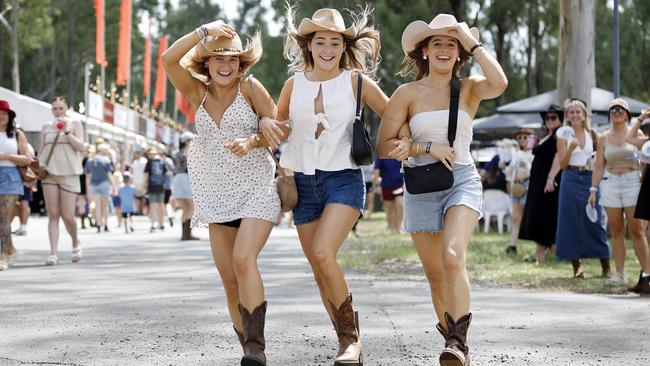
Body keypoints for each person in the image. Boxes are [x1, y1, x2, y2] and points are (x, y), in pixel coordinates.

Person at [376, 14, 507, 366]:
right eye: (437, 43)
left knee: (452, 256)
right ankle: (453, 341)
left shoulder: (469, 89)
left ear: (459, 53)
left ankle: (457, 344)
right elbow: (383, 144)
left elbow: (500, 82)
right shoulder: (407, 93)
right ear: (424, 52)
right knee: (435, 277)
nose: (445, 49)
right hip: (420, 186)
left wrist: (473, 42)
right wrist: (421, 148)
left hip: (461, 178)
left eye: (451, 44)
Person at [259, 7, 387, 365]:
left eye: (335, 42)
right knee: (319, 271)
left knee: (322, 254)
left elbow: (394, 113)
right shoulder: (293, 84)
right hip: (302, 183)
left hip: (343, 180)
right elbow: (279, 126)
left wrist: (413, 145)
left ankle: (351, 340)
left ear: (344, 46)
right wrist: (269, 126)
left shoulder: (356, 81)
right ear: (309, 45)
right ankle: (344, 340)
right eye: (320, 41)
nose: (328, 49)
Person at [163, 19, 280, 366]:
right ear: (206, 64)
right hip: (216, 192)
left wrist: (254, 140)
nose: (225, 65)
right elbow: (170, 60)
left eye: (232, 59)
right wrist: (203, 31)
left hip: (257, 185)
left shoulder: (251, 88)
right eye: (217, 59)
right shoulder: (197, 92)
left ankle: (257, 345)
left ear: (241, 63)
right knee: (230, 281)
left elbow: (279, 129)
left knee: (244, 260)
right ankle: (248, 348)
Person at [588, 99, 649, 286]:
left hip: (632, 182)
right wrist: (593, 189)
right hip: (610, 183)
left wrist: (644, 180)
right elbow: (599, 165)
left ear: (627, 114)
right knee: (616, 230)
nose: (616, 112)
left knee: (636, 231)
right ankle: (619, 273)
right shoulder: (603, 137)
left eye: (621, 109)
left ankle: (647, 273)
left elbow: (645, 159)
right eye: (613, 109)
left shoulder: (636, 132)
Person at [556, 98, 611, 278]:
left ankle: (605, 265)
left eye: (578, 112)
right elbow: (562, 165)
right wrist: (571, 149)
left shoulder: (594, 135)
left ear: (584, 114)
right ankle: (576, 267)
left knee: (595, 219)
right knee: (569, 221)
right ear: (567, 116)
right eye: (571, 112)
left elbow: (600, 161)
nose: (575, 115)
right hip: (570, 177)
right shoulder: (563, 135)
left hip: (589, 177)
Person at [38, 96, 85, 266]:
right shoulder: (46, 127)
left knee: (68, 215)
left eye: (60, 108)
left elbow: (80, 147)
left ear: (67, 108)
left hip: (69, 173)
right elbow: (42, 149)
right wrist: (37, 168)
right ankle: (53, 252)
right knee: (53, 213)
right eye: (55, 108)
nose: (58, 111)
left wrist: (67, 132)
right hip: (49, 172)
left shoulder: (75, 123)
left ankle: (75, 242)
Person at [519, 104, 563, 262]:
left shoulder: (559, 136)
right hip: (538, 183)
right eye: (547, 118)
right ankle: (542, 253)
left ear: (560, 120)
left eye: (553, 118)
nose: (550, 120)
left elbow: (558, 158)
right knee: (540, 215)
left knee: (545, 216)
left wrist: (551, 179)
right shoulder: (546, 135)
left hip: (549, 182)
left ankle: (545, 253)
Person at [0, 100, 32, 271]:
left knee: (3, 218)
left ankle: (2, 256)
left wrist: (6, 156)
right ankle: (10, 249)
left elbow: (27, 159)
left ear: (9, 116)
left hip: (11, 177)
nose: (0, 116)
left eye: (4, 113)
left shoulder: (17, 134)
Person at [625, 106, 650, 294]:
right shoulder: (648, 142)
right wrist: (641, 117)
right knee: (648, 232)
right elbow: (629, 138)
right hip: (649, 184)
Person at [504, 128, 534, 255]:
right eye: (519, 138)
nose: (522, 140)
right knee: (516, 218)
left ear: (531, 138)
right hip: (516, 187)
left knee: (533, 218)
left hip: (529, 187)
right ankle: (513, 245)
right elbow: (510, 170)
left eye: (525, 137)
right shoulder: (516, 154)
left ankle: (542, 247)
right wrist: (509, 181)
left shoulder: (534, 153)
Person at [173, 131, 199, 240]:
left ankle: (185, 234)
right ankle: (187, 233)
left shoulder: (177, 153)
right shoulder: (189, 152)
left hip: (177, 179)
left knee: (185, 208)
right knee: (192, 207)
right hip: (185, 179)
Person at [85, 143, 115, 233]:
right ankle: (106, 224)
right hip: (104, 184)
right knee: (105, 206)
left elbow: (88, 176)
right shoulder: (106, 160)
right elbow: (109, 174)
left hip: (94, 185)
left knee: (97, 206)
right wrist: (114, 186)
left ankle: (98, 224)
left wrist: (88, 189)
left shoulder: (90, 161)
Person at [374, 158, 405, 233]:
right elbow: (376, 171)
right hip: (386, 186)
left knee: (400, 205)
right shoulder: (381, 155)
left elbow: (405, 167)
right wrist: (377, 185)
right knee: (389, 208)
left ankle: (399, 227)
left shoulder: (399, 153)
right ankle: (391, 227)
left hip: (399, 185)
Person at [13, 139, 36, 236]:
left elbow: (32, 162)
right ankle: (21, 226)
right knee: (17, 204)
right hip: (16, 177)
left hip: (23, 178)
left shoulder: (26, 145)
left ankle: (23, 227)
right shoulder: (13, 143)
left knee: (24, 202)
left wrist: (32, 179)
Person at [144, 147, 168, 232]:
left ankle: (153, 224)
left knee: (153, 205)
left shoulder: (149, 162)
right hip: (161, 186)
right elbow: (166, 173)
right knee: (161, 205)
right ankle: (161, 224)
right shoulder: (162, 161)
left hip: (152, 186)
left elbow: (146, 175)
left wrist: (145, 187)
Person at [131, 149, 148, 215]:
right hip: (135, 182)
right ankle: (137, 210)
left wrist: (145, 182)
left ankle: (141, 210)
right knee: (136, 197)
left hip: (142, 181)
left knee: (142, 197)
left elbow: (145, 173)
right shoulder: (134, 161)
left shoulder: (144, 161)